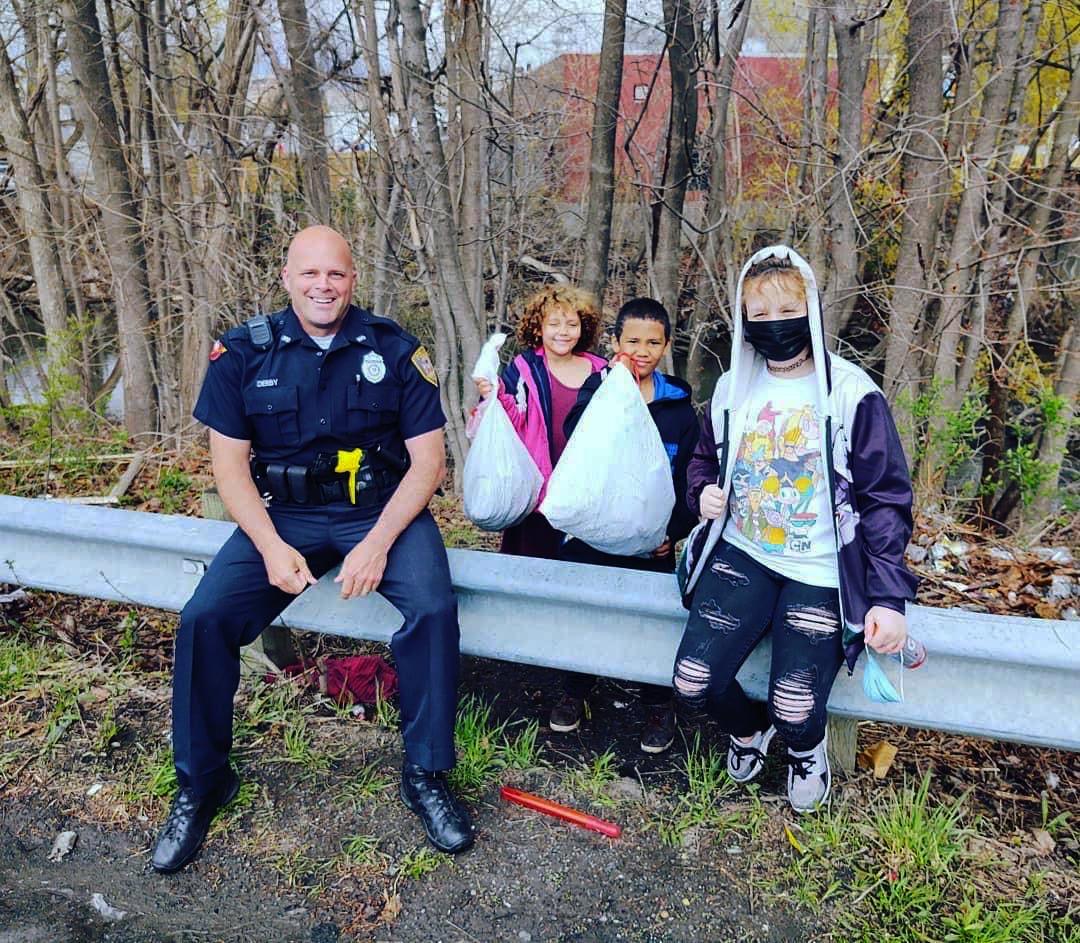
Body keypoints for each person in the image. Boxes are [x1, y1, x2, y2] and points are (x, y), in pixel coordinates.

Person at [151, 226, 473, 873]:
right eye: (311, 274)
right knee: (204, 619)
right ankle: (201, 782)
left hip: (380, 512)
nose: (323, 286)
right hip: (285, 517)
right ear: (287, 277)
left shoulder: (393, 348)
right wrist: (269, 546)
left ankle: (428, 775)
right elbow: (230, 468)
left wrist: (379, 541)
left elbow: (429, 461)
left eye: (336, 274)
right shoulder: (242, 353)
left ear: (354, 280)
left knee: (434, 608)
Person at [675, 246, 917, 812]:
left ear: (809, 309)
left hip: (823, 568)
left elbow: (885, 498)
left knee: (795, 706)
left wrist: (887, 597)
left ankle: (805, 750)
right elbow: (702, 461)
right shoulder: (733, 388)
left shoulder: (852, 394)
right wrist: (701, 493)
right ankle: (747, 731)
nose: (773, 324)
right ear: (742, 320)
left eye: (785, 310)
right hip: (743, 553)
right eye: (757, 315)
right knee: (692, 682)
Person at [553, 298, 699, 754]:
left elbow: (692, 480)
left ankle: (658, 703)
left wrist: (670, 533)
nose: (642, 350)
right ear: (615, 343)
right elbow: (575, 444)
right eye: (632, 341)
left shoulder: (680, 410)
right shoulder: (599, 393)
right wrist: (607, 391)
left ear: (666, 346)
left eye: (653, 342)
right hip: (591, 539)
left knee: (652, 624)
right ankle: (574, 689)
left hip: (651, 545)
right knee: (583, 613)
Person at [472, 284, 607, 559]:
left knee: (581, 570)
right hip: (535, 493)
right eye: (554, 323)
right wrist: (493, 395)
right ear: (538, 327)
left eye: (572, 324)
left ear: (584, 328)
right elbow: (512, 420)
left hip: (586, 492)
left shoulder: (602, 371)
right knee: (529, 567)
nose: (563, 331)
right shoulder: (525, 368)